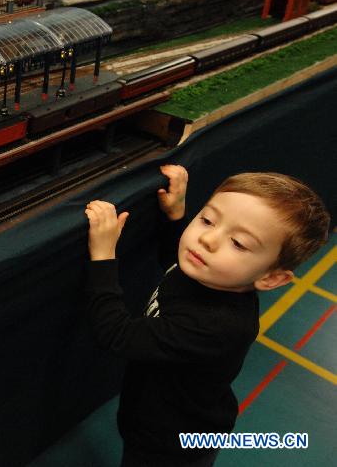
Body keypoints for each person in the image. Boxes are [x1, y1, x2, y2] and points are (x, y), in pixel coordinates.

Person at [84, 166, 330, 467]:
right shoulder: (211, 272)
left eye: (238, 243)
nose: (208, 240)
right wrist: (176, 216)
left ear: (271, 278)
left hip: (173, 443)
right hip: (155, 416)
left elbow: (116, 334)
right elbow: (174, 264)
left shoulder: (216, 326)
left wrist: (103, 256)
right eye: (207, 219)